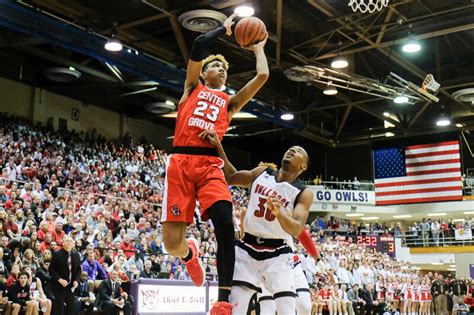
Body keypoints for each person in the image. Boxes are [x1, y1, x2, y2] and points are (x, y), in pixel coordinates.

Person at [161, 12, 269, 315]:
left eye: (224, 68)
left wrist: (258, 47)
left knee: (225, 226)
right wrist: (226, 27)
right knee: (172, 245)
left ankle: (223, 300)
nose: (220, 69)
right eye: (215, 65)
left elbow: (262, 77)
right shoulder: (191, 89)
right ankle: (189, 254)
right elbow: (197, 45)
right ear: (204, 73)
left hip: (210, 166)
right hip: (180, 162)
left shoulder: (230, 103)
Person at [201, 130, 313, 315]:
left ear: (303, 167)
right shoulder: (262, 173)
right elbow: (231, 176)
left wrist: (280, 214)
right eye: (290, 149)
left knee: (288, 311)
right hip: (247, 250)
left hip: (278, 254)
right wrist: (219, 147)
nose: (292, 151)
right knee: (236, 310)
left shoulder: (302, 192)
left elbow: (296, 229)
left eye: (298, 151)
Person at [50, 235, 81, 315]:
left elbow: (78, 270)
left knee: (71, 310)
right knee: (59, 310)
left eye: (71, 241)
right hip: (59, 286)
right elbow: (51, 270)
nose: (69, 242)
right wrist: (59, 280)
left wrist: (76, 280)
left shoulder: (76, 255)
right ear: (63, 243)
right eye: (67, 241)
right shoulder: (56, 254)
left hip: (70, 287)